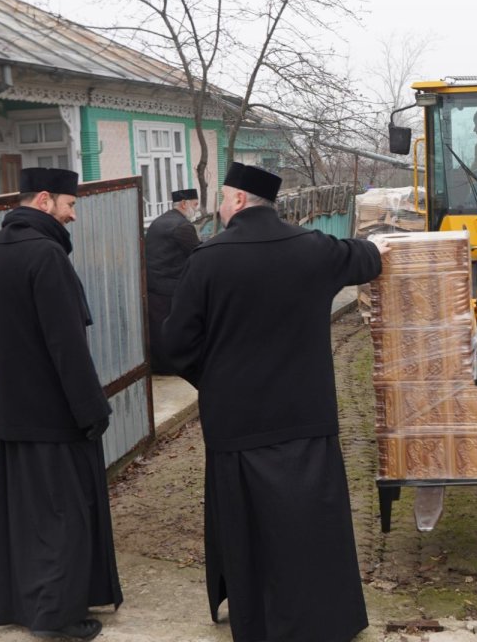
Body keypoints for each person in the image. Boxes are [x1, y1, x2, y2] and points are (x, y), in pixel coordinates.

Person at [163, 163, 390, 642]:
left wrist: (218, 382)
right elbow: (366, 257)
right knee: (312, 518)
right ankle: (326, 619)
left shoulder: (206, 260)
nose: (219, 207)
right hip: (305, 415)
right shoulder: (313, 248)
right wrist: (382, 245)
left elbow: (177, 346)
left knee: (248, 524)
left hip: (237, 422)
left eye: (223, 198)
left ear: (240, 200)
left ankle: (258, 621)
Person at [0, 167, 122, 641]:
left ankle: (30, 605)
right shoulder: (45, 255)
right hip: (56, 413)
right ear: (43, 200)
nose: (73, 216)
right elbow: (66, 346)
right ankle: (57, 617)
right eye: (69, 205)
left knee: (31, 519)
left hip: (16, 411)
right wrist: (92, 409)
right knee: (64, 518)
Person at [144, 187, 201, 372]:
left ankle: (160, 366)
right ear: (184, 204)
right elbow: (198, 253)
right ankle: (170, 367)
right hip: (169, 288)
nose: (197, 209)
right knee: (170, 330)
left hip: (153, 285)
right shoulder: (182, 226)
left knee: (157, 330)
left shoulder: (160, 221)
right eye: (195, 204)